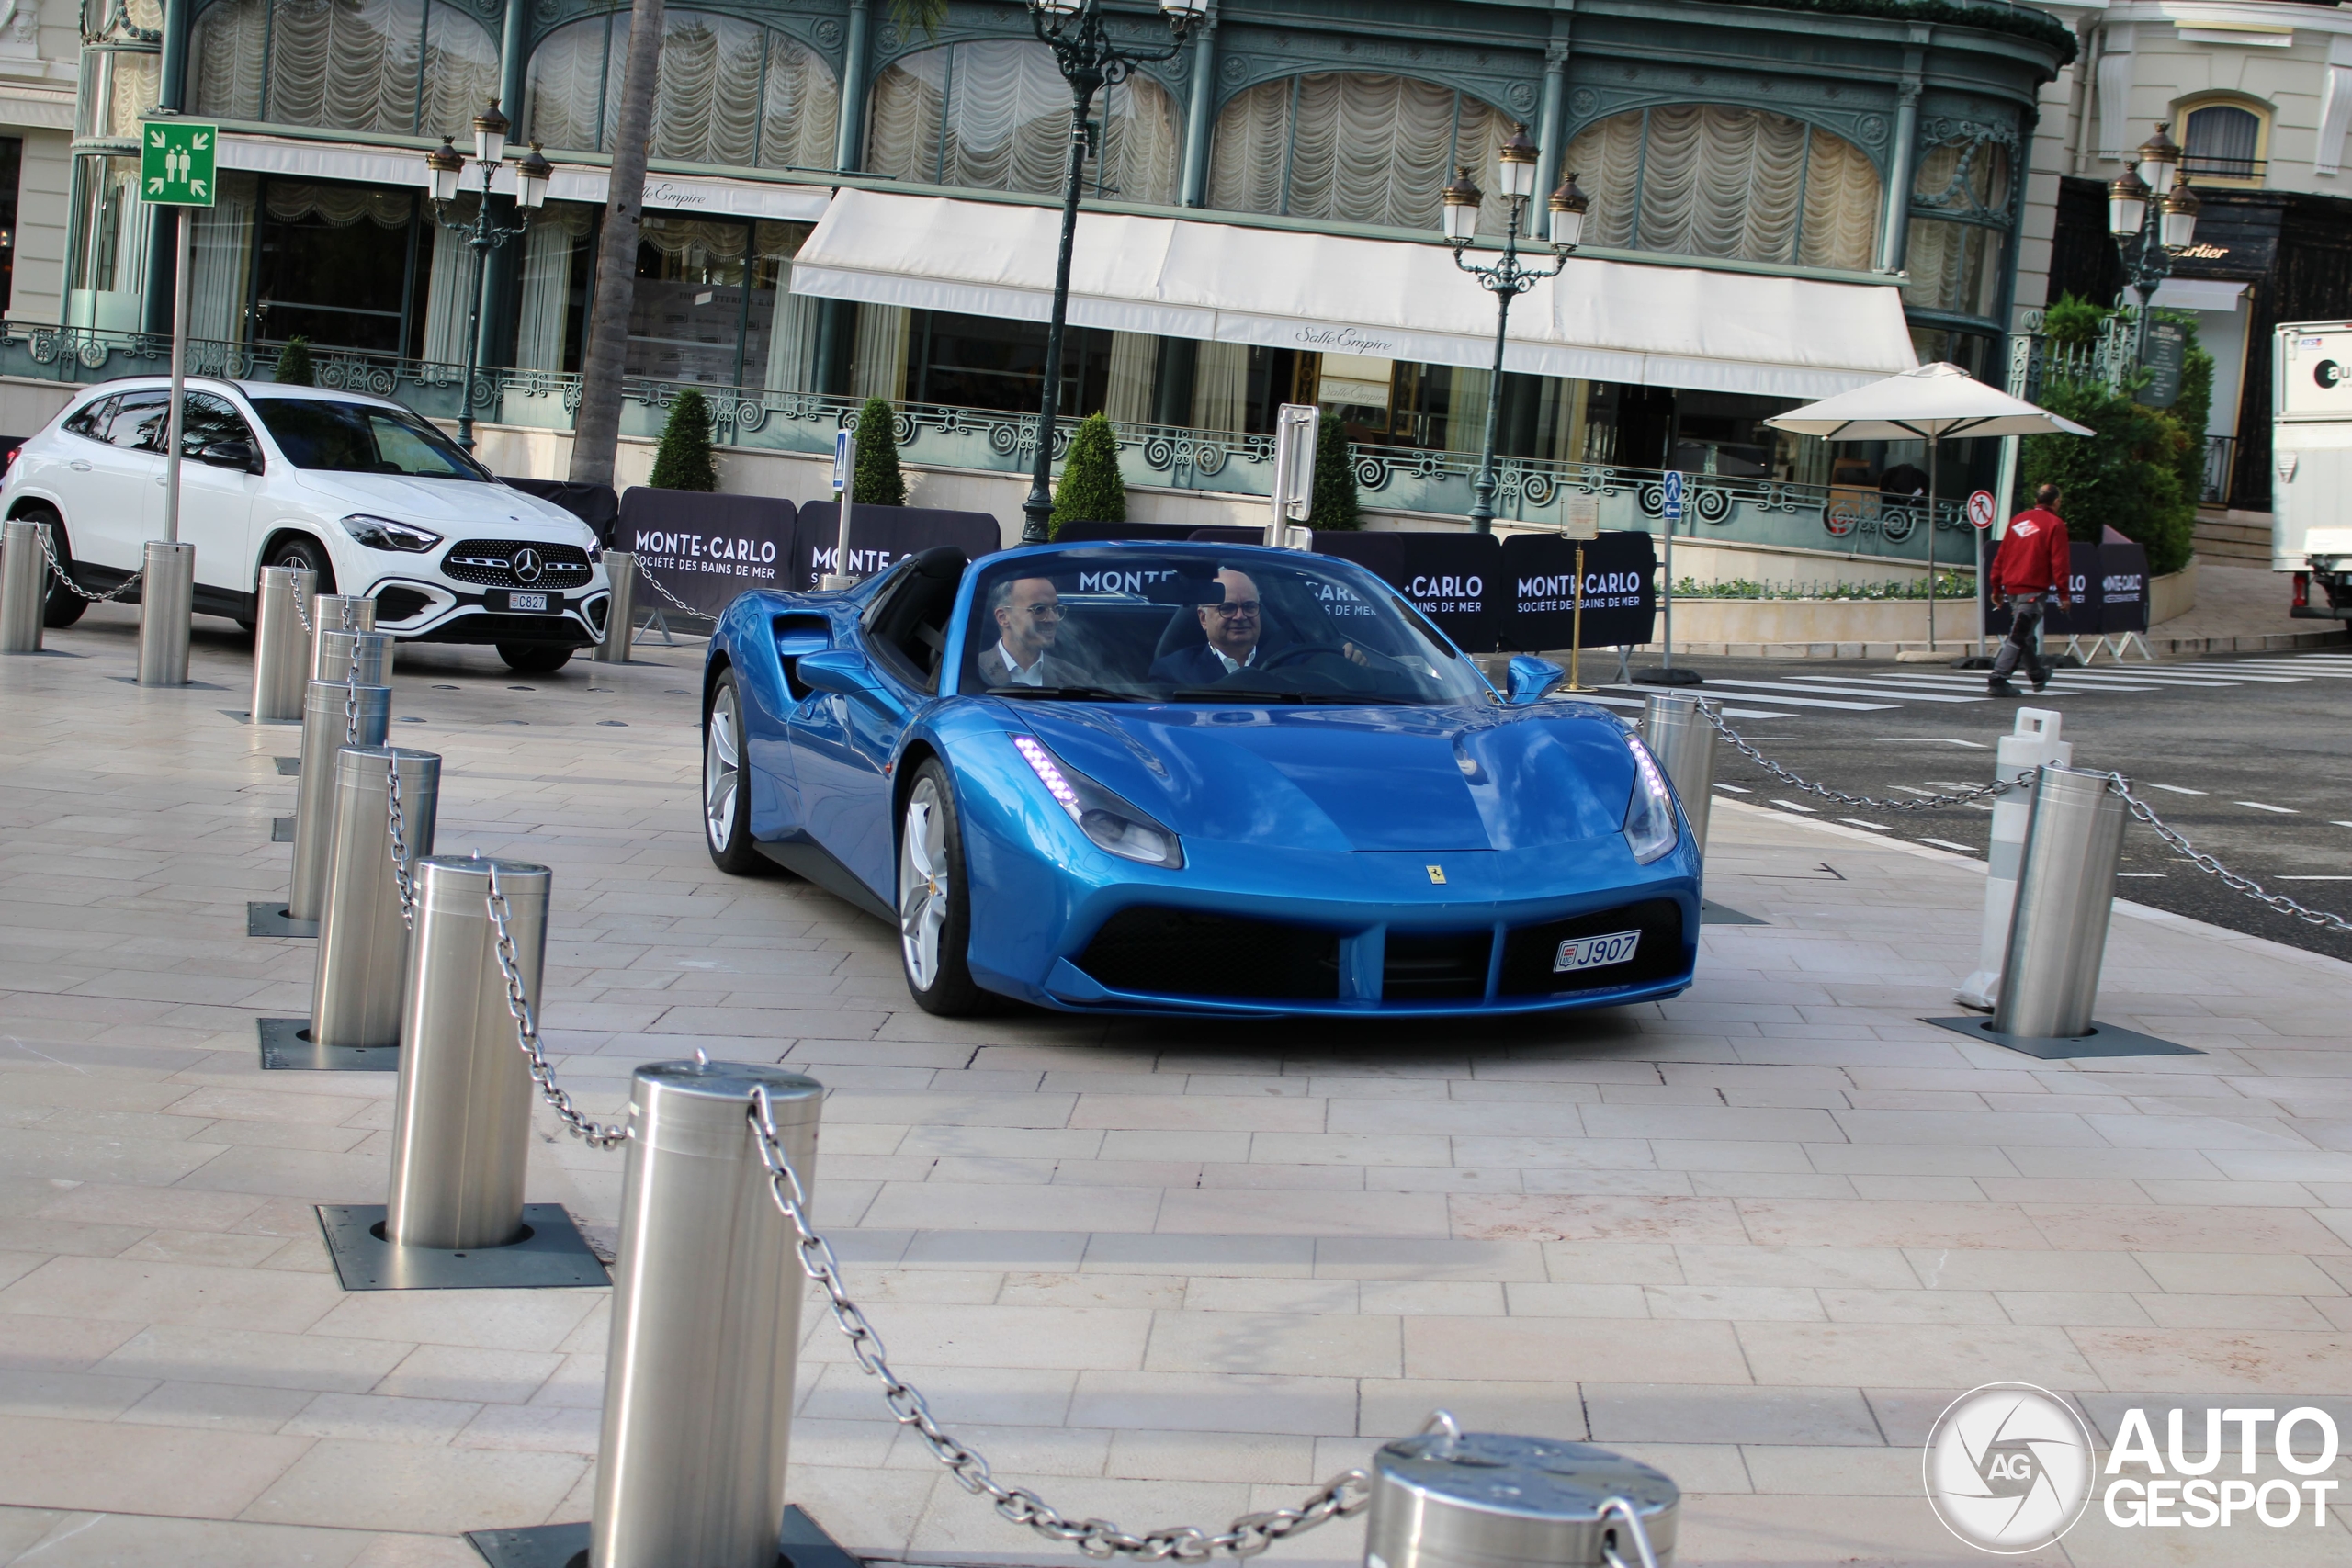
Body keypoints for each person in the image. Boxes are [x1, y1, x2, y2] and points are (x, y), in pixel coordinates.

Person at [1985, 483, 2072, 696]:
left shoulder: (2018, 520)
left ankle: (2037, 675)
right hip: (2033, 589)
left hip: (2012, 588)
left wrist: (1997, 587)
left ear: (2036, 500)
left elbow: (2001, 556)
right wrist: (2064, 594)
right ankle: (1999, 678)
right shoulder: (2055, 524)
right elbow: (2059, 563)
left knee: (2024, 634)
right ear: (2056, 502)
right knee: (2019, 635)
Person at [1148, 567, 1270, 686]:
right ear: (1203, 618)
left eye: (1249, 607)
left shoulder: (1280, 664)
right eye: (1227, 608)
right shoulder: (1173, 672)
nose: (1240, 616)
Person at [978, 576, 1088, 687]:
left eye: (1056, 608)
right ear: (1003, 617)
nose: (1052, 619)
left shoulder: (1077, 679)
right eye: (1039, 609)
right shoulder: (972, 672)